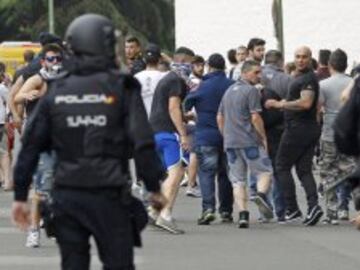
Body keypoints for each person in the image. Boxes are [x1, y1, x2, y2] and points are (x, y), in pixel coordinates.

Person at [12, 14, 166, 270]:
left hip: (67, 194)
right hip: (110, 193)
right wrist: (153, 188)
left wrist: (19, 196)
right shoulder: (122, 87)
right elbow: (142, 141)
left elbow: (31, 145)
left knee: (73, 263)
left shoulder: (58, 88)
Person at [265, 46, 324, 226]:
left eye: (304, 57)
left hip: (298, 129)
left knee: (281, 165)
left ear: (310, 58)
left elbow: (306, 103)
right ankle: (313, 207)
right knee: (303, 170)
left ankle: (292, 208)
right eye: (297, 56)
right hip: (306, 128)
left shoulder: (308, 78)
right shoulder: (301, 77)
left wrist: (279, 104)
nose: (300, 60)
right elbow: (316, 104)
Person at [13, 43, 64, 248]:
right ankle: (33, 230)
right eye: (51, 59)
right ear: (43, 61)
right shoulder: (37, 79)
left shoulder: (65, 80)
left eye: (58, 59)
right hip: (40, 140)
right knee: (40, 190)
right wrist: (26, 95)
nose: (55, 63)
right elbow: (16, 96)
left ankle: (54, 223)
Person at [217, 60, 274, 228]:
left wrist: (226, 135)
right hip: (249, 141)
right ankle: (261, 195)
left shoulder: (228, 92)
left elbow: (219, 117)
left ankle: (243, 215)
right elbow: (255, 117)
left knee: (238, 181)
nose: (259, 76)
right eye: (256, 72)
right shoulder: (251, 91)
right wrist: (263, 138)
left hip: (231, 143)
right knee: (265, 172)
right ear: (245, 72)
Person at [184, 53, 234, 225]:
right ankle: (226, 211)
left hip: (206, 136)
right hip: (228, 136)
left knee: (206, 173)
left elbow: (186, 105)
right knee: (226, 174)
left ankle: (208, 209)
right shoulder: (232, 85)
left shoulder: (201, 87)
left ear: (209, 67)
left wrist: (190, 116)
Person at [149, 46, 194, 234]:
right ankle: (165, 215)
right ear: (183, 62)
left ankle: (154, 210)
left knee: (168, 174)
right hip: (168, 133)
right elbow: (173, 107)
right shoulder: (176, 80)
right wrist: (183, 134)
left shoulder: (167, 78)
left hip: (155, 130)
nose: (192, 67)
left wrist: (185, 118)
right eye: (190, 63)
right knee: (176, 173)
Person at [318, 49, 356, 224]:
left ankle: (331, 213)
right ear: (346, 65)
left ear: (330, 65)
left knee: (328, 172)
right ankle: (348, 207)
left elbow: (318, 110)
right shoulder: (353, 83)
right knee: (352, 170)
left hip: (330, 133)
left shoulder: (323, 85)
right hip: (352, 133)